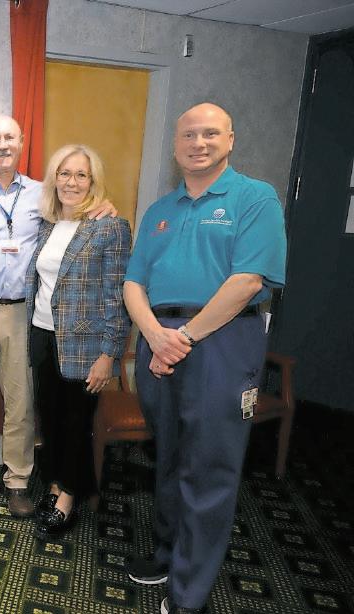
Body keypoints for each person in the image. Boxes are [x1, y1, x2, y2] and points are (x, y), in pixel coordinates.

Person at [123, 103, 287, 614]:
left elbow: (248, 282)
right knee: (170, 455)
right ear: (176, 146)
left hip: (221, 341)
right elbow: (133, 283)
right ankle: (167, 553)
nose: (199, 142)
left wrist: (182, 338)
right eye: (189, 135)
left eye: (211, 133)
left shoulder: (255, 198)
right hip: (159, 340)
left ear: (230, 140)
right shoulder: (160, 209)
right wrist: (155, 335)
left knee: (209, 466)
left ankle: (189, 592)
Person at [0, 115, 116, 518]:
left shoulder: (42, 195)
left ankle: (17, 481)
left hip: (22, 315)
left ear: (21, 142)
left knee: (22, 405)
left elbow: (77, 217)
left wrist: (103, 206)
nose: (2, 144)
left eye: (9, 137)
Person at [24, 144, 131, 535]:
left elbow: (117, 296)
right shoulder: (47, 224)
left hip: (85, 346)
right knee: (49, 416)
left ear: (93, 181)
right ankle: (56, 484)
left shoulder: (110, 227)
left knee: (76, 421)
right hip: (42, 334)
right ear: (54, 179)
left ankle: (68, 496)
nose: (71, 182)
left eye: (81, 175)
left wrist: (109, 354)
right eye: (64, 173)